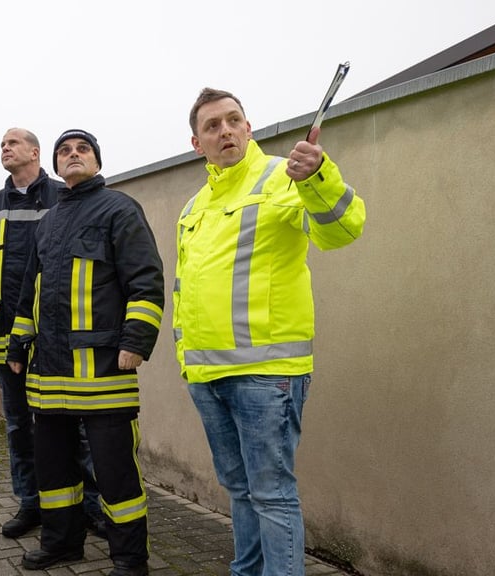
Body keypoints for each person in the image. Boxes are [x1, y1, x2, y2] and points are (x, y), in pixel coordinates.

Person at [174, 88, 366, 576]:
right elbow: (184, 291)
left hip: (267, 374)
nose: (225, 131)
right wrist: (187, 363)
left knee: (272, 494)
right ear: (197, 143)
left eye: (234, 120)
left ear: (249, 128)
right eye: (212, 126)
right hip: (207, 375)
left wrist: (318, 176)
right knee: (239, 491)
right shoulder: (193, 207)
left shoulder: (284, 175)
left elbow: (343, 230)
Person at [7, 129, 165, 576]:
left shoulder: (120, 209)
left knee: (116, 474)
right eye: (65, 151)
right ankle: (62, 544)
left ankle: (130, 559)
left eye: (83, 150)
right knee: (54, 473)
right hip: (49, 373)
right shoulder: (48, 221)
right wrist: (18, 344)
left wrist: (136, 342)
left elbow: (146, 281)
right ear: (56, 166)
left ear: (96, 161)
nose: (73, 155)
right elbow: (29, 293)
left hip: (102, 370)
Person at [0, 128, 108, 540]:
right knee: (18, 428)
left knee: (74, 427)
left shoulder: (64, 195)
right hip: (5, 337)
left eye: (12, 142)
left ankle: (87, 507)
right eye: (1, 144)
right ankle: (31, 504)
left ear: (34, 152)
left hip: (55, 341)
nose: (4, 148)